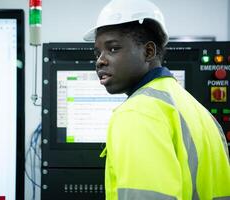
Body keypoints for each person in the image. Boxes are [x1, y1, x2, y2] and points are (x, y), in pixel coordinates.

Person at [83, 0, 230, 199]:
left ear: (148, 52)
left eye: (113, 49)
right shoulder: (199, 112)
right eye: (97, 52)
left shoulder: (137, 113)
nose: (100, 60)